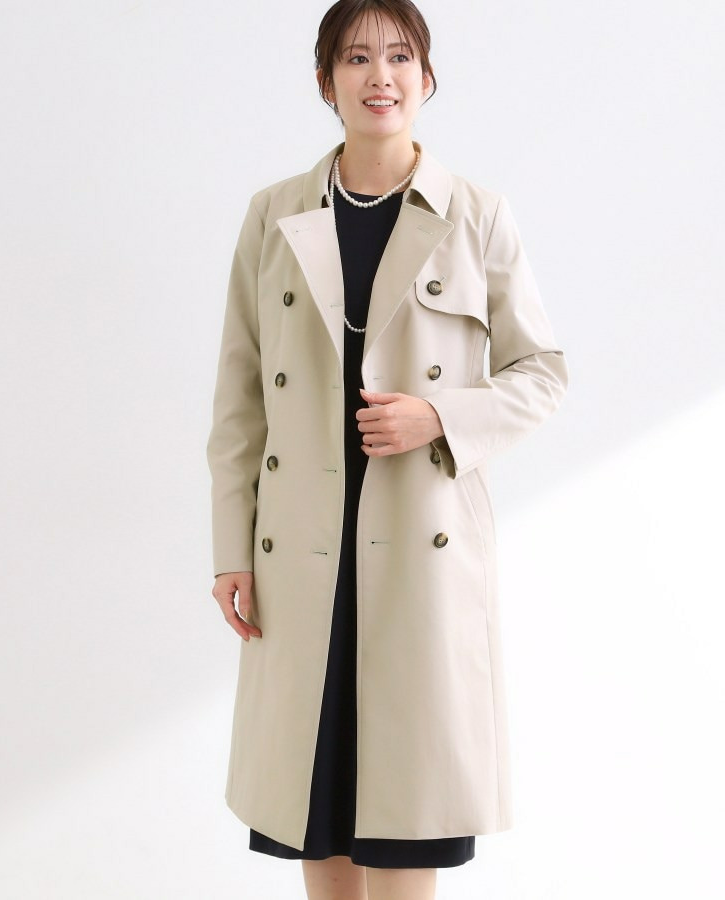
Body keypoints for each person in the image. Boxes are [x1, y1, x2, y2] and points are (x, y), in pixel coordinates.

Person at [206, 1, 569, 898]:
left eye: (400, 56)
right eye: (357, 57)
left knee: (408, 821)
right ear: (324, 81)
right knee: (313, 802)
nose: (380, 76)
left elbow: (542, 372)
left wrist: (439, 416)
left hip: (420, 552)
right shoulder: (273, 215)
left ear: (427, 77)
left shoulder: (476, 214)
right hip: (302, 556)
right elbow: (238, 404)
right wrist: (229, 552)